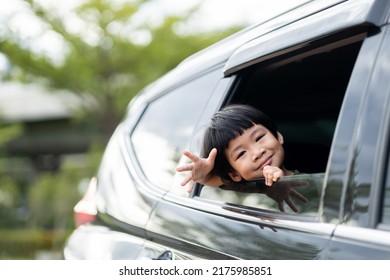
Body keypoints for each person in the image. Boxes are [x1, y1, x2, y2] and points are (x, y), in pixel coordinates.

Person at [176, 104, 308, 212]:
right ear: (234, 175)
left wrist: (286, 177)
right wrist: (202, 174)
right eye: (241, 154)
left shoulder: (313, 156)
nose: (257, 153)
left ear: (278, 136)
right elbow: (212, 179)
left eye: (259, 138)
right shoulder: (245, 189)